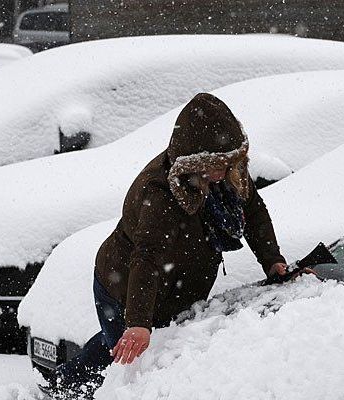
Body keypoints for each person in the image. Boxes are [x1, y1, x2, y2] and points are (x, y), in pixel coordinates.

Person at [45, 93, 289, 399]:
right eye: (216, 165)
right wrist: (138, 324)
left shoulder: (226, 172)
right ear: (195, 162)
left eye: (229, 164)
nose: (224, 172)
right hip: (124, 287)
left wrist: (272, 260)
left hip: (175, 289)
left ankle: (65, 381)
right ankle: (71, 389)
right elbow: (147, 258)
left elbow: (253, 211)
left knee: (118, 346)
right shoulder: (159, 192)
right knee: (129, 360)